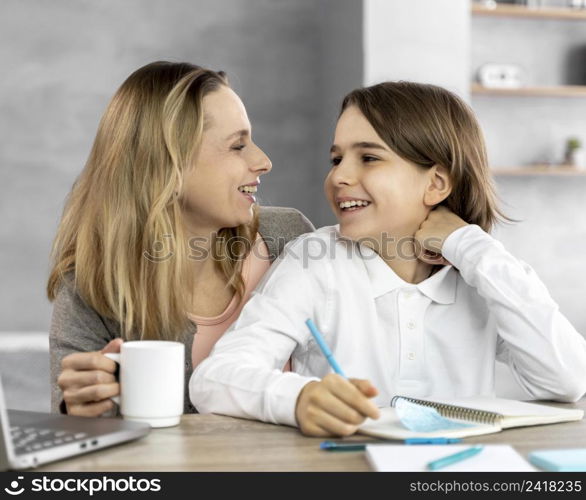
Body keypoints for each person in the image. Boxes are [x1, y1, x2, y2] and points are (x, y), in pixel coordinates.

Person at [190, 81, 586, 437]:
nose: (339, 176)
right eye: (337, 159)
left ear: (436, 184)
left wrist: (471, 245)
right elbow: (214, 378)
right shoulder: (317, 262)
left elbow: (568, 379)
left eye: (369, 158)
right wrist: (299, 398)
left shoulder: (485, 275)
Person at [48, 61, 314, 417]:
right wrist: (81, 410)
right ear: (168, 165)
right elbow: (77, 445)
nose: (263, 161)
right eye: (238, 146)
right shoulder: (91, 290)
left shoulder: (290, 238)